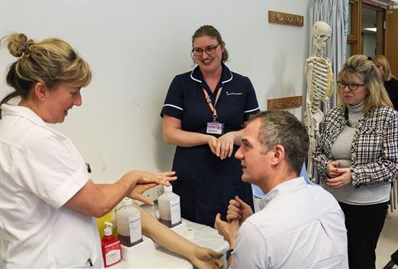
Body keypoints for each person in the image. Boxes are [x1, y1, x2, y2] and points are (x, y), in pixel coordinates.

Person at [0, 33, 222, 269]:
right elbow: (97, 204)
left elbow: (77, 193)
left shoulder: (15, 131)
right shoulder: (35, 140)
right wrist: (132, 177)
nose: (78, 102)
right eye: (73, 92)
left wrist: (124, 189)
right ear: (41, 90)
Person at [214, 110, 348, 268]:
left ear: (277, 155)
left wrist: (234, 241)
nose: (238, 154)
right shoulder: (326, 200)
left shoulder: (256, 231)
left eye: (247, 146)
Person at [160, 25, 260, 227]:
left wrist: (231, 137)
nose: (204, 55)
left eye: (210, 48)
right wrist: (207, 139)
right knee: (192, 232)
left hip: (232, 172)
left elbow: (256, 130)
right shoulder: (181, 84)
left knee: (236, 231)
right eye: (198, 50)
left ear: (222, 47)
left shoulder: (242, 84)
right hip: (192, 174)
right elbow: (169, 133)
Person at [313, 54, 398, 269]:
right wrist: (326, 165)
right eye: (343, 83)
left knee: (360, 259)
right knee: (334, 258)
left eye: (353, 85)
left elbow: (392, 165)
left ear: (369, 87)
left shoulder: (387, 117)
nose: (346, 90)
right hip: (333, 202)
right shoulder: (334, 115)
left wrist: (354, 174)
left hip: (367, 205)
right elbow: (318, 153)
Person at [303, 21, 334, 178]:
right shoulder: (310, 63)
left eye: (327, 39)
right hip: (312, 110)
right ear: (315, 37)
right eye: (322, 37)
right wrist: (309, 108)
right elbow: (309, 92)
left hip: (322, 110)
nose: (324, 42)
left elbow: (328, 89)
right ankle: (309, 172)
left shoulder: (327, 63)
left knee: (325, 143)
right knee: (312, 141)